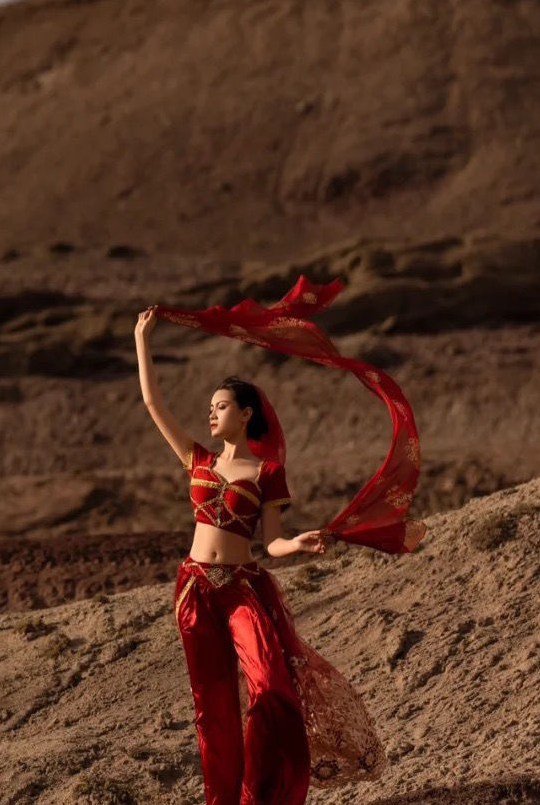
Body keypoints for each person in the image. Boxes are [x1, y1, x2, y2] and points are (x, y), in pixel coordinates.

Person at [135, 303, 386, 805]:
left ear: (246, 413)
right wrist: (142, 340)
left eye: (221, 405)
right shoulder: (197, 458)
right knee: (214, 709)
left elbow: (270, 541)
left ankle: (264, 797)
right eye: (210, 406)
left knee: (271, 689)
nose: (211, 413)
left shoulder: (267, 473)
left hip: (243, 587)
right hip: (193, 588)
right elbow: (153, 403)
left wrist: (297, 544)